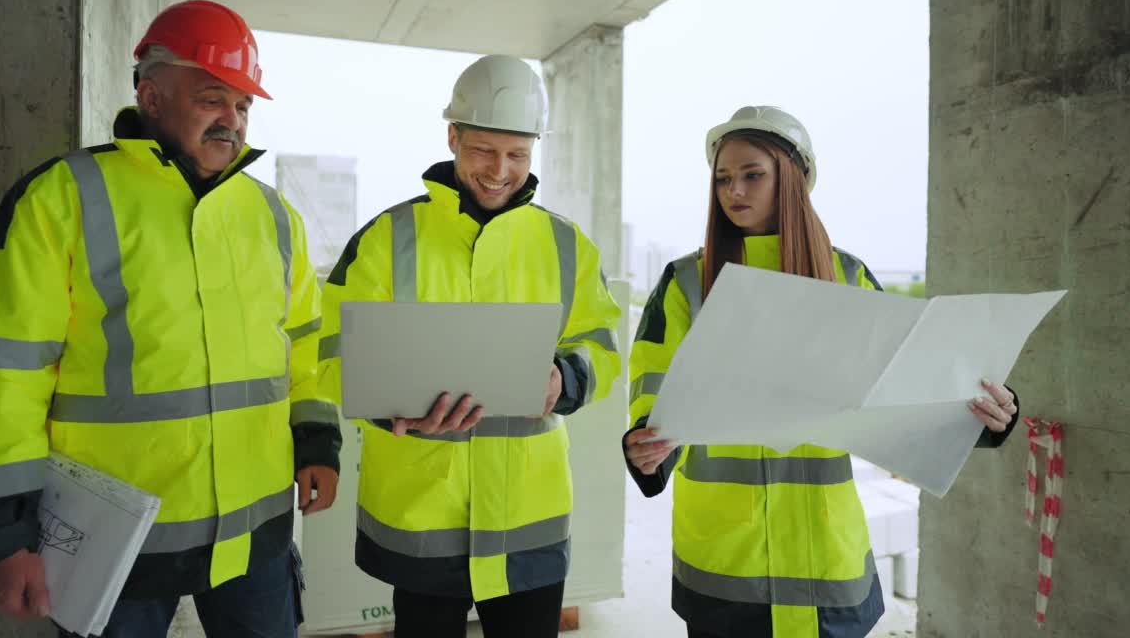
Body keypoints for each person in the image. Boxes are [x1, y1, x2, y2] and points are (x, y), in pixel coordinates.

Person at [0, 0, 342, 638]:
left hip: (255, 532)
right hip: (117, 543)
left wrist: (318, 443)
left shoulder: (273, 217)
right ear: (152, 95)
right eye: (213, 99)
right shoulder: (62, 198)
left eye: (243, 106)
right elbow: (1, 377)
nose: (231, 120)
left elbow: (303, 352)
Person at [623, 106, 1021, 638]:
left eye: (752, 175)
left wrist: (982, 414)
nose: (733, 191)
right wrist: (645, 443)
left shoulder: (848, 277)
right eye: (722, 178)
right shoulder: (685, 284)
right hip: (725, 563)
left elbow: (903, 392)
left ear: (792, 179)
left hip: (828, 560)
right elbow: (650, 387)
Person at [316, 55, 622, 638]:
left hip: (527, 517)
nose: (499, 171)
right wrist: (387, 404)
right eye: (483, 150)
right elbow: (331, 355)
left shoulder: (565, 244)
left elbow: (602, 343)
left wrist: (567, 378)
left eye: (518, 154)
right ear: (452, 135)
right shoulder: (388, 239)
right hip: (422, 511)